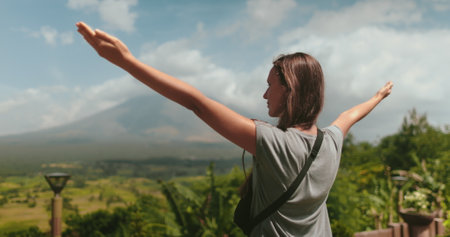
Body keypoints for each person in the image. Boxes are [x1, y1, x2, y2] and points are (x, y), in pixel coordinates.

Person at [76, 21, 393, 236]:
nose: (265, 94)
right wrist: (378, 96)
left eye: (271, 86)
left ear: (290, 89)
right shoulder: (331, 142)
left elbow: (197, 103)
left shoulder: (273, 142)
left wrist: (127, 62)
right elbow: (350, 115)